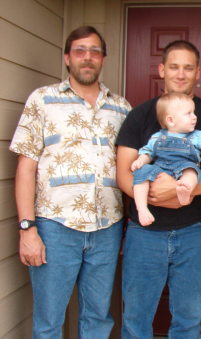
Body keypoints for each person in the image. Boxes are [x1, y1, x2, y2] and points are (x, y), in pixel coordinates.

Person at [9, 26, 131, 338]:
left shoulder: (122, 107)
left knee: (97, 318)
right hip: (54, 227)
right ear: (67, 58)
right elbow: (25, 168)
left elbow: (131, 167)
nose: (87, 57)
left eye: (94, 51)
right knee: (49, 322)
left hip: (108, 227)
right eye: (80, 50)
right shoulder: (43, 100)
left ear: (103, 58)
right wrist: (27, 229)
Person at [116, 40, 201, 339]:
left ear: (198, 73)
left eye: (188, 68)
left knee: (188, 322)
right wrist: (157, 194)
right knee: (135, 321)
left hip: (193, 231)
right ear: (161, 70)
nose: (180, 74)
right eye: (174, 67)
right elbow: (123, 173)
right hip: (144, 234)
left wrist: (182, 191)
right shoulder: (140, 116)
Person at [131, 92, 201, 226]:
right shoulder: (157, 137)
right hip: (160, 169)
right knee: (142, 173)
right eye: (188, 113)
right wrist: (141, 160)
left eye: (194, 113)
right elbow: (148, 152)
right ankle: (142, 208)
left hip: (183, 166)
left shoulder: (196, 136)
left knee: (192, 172)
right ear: (170, 120)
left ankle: (185, 191)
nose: (194, 117)